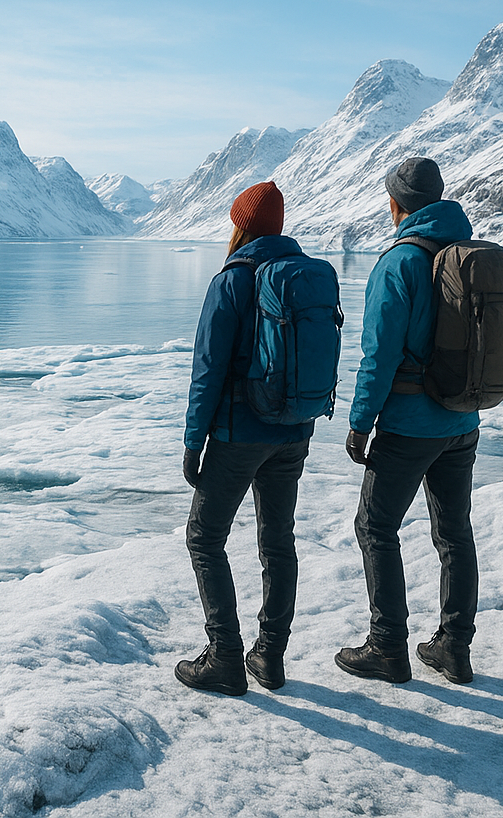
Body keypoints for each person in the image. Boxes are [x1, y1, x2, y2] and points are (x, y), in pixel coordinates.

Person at [336, 156, 481, 685]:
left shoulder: (400, 262)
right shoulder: (464, 252)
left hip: (409, 425)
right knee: (454, 533)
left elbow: (379, 354)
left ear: (396, 205)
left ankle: (387, 647)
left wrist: (360, 422)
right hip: (462, 420)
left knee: (374, 526)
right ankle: (454, 647)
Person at [177, 180, 316, 696]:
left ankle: (225, 655)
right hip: (293, 431)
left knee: (204, 537)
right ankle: (270, 657)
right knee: (278, 542)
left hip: (239, 434)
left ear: (240, 225)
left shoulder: (233, 280)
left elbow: (208, 369)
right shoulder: (305, 273)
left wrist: (195, 443)